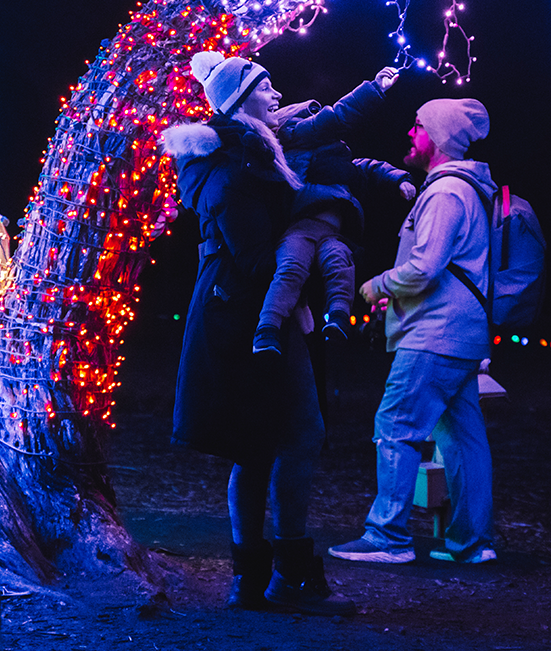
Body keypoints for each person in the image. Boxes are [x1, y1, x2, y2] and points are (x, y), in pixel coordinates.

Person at [159, 50, 353, 616]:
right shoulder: (234, 167)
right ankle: (282, 573)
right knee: (290, 435)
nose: (276, 95)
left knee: (263, 444)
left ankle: (262, 575)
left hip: (244, 310)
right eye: (266, 88)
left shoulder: (245, 153)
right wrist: (296, 297)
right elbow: (254, 257)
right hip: (249, 313)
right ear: (242, 102)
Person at [329, 98, 499, 565]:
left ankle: (388, 537)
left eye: (419, 125)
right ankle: (471, 543)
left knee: (396, 426)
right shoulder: (471, 189)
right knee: (464, 440)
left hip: (434, 333)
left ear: (439, 138)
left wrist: (376, 285)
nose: (411, 132)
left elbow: (425, 267)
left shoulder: (446, 193)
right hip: (463, 333)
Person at [253, 66, 418, 356]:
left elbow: (365, 166)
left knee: (339, 265)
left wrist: (397, 178)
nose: (318, 122)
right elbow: (340, 114)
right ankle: (267, 328)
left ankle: (339, 317)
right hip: (301, 228)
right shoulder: (296, 147)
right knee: (290, 269)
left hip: (332, 232)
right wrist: (375, 88)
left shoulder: (333, 156)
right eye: (312, 117)